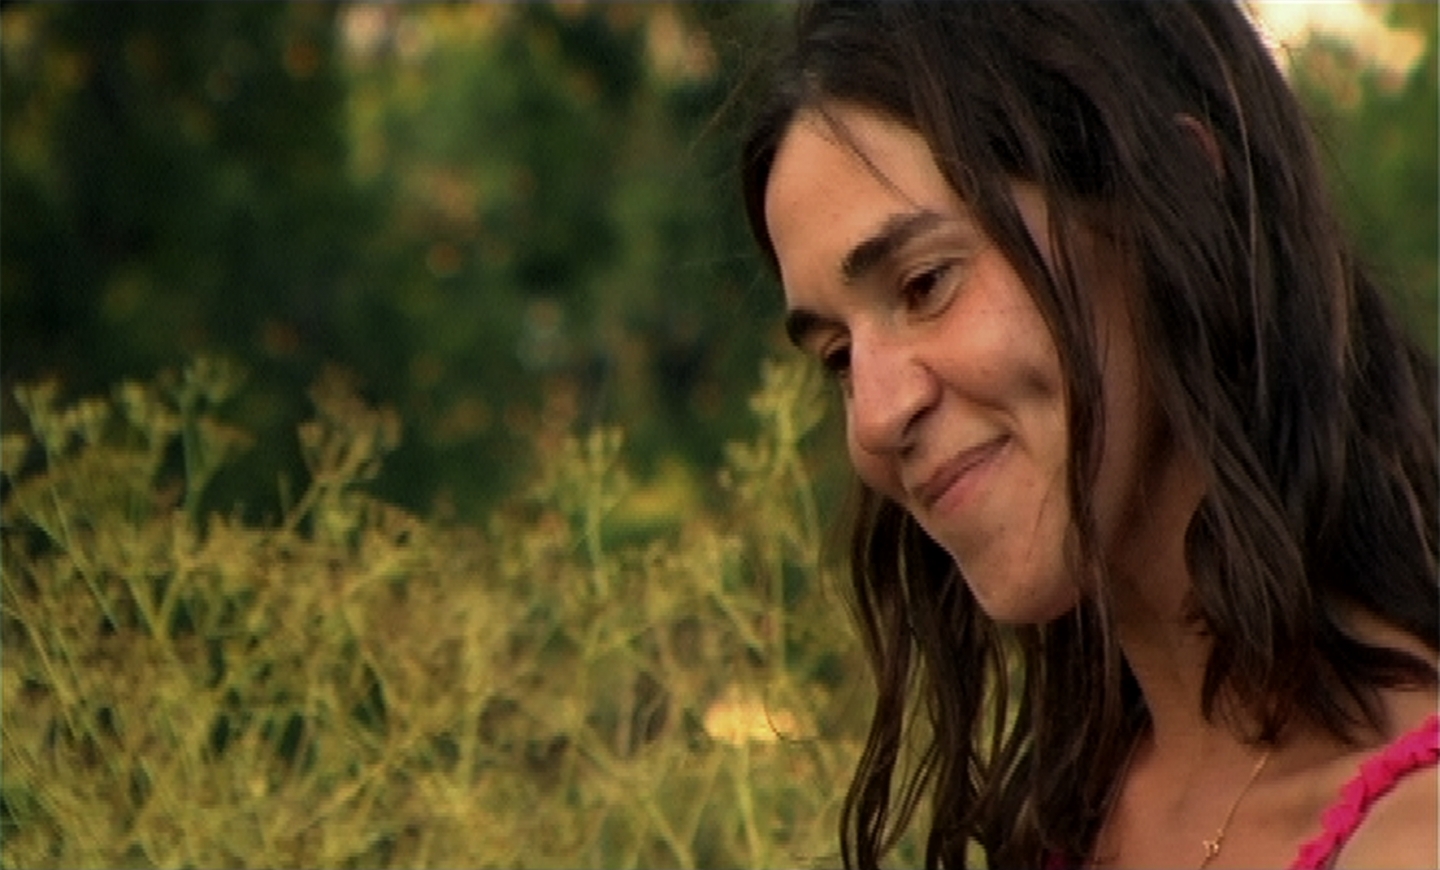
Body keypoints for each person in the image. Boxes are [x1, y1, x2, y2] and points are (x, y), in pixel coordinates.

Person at [738, 2, 1438, 868]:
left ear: (1177, 200)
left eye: (925, 285)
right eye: (839, 358)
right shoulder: (1067, 815)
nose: (877, 417)